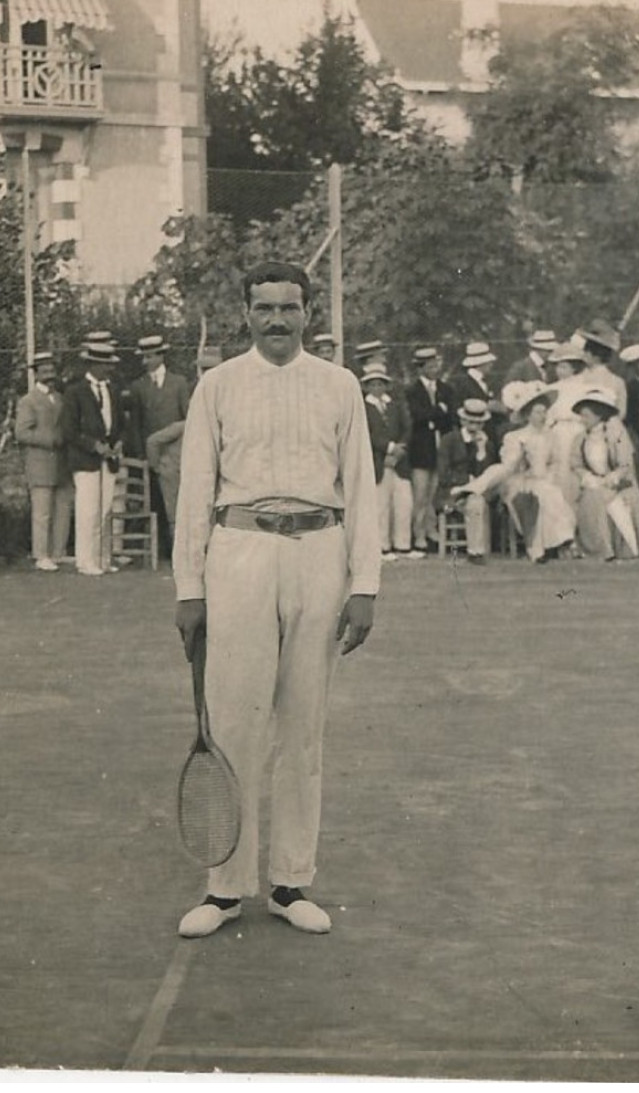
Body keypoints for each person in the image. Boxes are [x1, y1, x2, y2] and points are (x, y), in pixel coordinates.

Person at [172, 260, 380, 938]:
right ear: (245, 312)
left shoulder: (339, 386)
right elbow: (194, 492)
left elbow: (361, 489)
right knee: (234, 719)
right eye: (263, 308)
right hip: (239, 556)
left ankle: (291, 882)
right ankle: (225, 888)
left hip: (319, 554)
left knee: (302, 724)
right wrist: (189, 588)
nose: (276, 320)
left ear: (307, 312)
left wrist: (364, 585)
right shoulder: (217, 386)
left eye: (289, 308)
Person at [568, 389, 639, 561]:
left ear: (598, 416)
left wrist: (612, 478)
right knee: (594, 498)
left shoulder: (617, 435)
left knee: (622, 498)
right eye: (582, 416)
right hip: (593, 484)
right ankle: (602, 549)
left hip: (617, 481)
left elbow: (625, 464)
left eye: (586, 416)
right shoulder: (580, 439)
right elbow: (576, 464)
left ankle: (632, 548)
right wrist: (588, 477)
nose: (582, 420)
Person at [494, 380, 577, 562]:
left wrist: (549, 474)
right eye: (537, 412)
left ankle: (548, 546)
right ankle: (551, 542)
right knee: (546, 493)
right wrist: (522, 461)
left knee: (550, 492)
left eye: (544, 411)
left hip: (544, 480)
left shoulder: (551, 435)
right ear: (527, 415)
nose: (542, 415)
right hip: (519, 482)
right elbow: (509, 467)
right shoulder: (515, 437)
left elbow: (555, 461)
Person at [62, 342, 125, 577]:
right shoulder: (75, 392)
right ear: (93, 364)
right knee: (88, 510)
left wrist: (118, 442)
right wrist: (93, 445)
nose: (109, 368)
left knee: (105, 509)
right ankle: (85, 560)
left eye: (110, 364)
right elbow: (69, 430)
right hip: (85, 460)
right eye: (104, 364)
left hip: (108, 459)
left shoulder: (113, 390)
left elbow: (119, 424)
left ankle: (103, 558)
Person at [126, 334, 191, 560]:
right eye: (143, 357)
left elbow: (188, 418)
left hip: (175, 456)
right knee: (154, 502)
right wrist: (141, 455)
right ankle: (158, 551)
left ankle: (177, 550)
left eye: (149, 356)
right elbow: (135, 424)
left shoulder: (179, 383)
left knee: (176, 503)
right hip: (151, 456)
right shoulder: (138, 386)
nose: (145, 361)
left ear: (160, 356)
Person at [13, 351, 73, 571]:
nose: (50, 375)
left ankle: (59, 552)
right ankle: (41, 554)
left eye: (52, 370)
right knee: (42, 511)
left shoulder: (61, 398)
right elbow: (21, 433)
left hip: (62, 462)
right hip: (40, 462)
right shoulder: (28, 401)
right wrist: (50, 440)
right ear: (36, 374)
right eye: (44, 371)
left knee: (63, 508)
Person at [361, 362, 417, 560]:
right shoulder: (363, 407)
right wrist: (389, 449)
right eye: (372, 384)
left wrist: (400, 450)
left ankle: (403, 545)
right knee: (380, 505)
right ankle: (383, 547)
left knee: (404, 503)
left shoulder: (395, 405)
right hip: (378, 462)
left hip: (400, 463)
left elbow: (407, 428)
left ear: (386, 385)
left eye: (380, 384)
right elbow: (367, 434)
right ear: (366, 387)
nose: (377, 388)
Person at [404, 346, 455, 555]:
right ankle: (418, 536)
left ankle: (432, 533)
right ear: (420, 368)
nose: (435, 369)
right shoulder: (412, 391)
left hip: (439, 449)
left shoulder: (446, 389)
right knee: (420, 495)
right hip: (421, 452)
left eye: (437, 365)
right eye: (430, 366)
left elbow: (451, 417)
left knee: (435, 494)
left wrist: (435, 415)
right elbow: (418, 416)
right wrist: (438, 412)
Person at [439, 399, 503, 564]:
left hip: (481, 492)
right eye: (471, 422)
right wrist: (467, 481)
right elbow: (443, 474)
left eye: (479, 424)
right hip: (453, 491)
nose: (475, 427)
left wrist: (481, 451)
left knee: (480, 497)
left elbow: (489, 473)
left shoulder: (487, 444)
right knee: (475, 501)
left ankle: (481, 548)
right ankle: (475, 552)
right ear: (463, 421)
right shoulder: (449, 440)